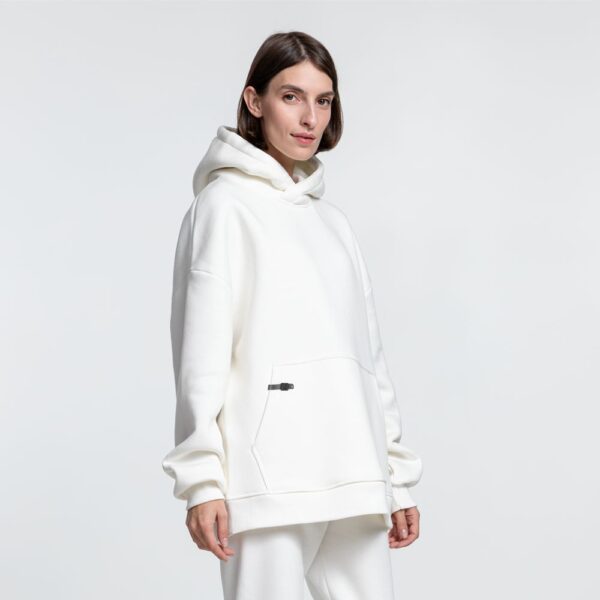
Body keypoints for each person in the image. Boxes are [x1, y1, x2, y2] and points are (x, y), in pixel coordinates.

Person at [161, 31, 424, 600]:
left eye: (323, 101)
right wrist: (202, 481)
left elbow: (370, 360)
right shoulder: (223, 207)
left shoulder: (334, 225)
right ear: (254, 101)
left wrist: (395, 477)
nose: (310, 118)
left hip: (354, 472)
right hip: (267, 477)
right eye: (291, 96)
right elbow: (200, 356)